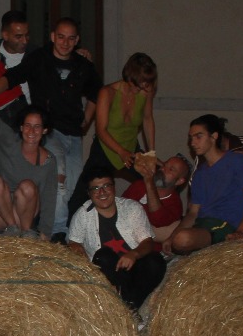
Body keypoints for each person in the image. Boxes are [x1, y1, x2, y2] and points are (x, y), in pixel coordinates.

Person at [0, 18, 100, 239]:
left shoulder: (84, 66)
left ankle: (49, 230)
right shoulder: (39, 59)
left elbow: (97, 93)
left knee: (71, 186)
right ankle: (56, 234)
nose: (65, 43)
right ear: (53, 36)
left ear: (77, 40)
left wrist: (87, 120)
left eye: (71, 38)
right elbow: (11, 78)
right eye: (61, 37)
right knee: (60, 177)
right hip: (49, 131)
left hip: (73, 133)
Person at [64, 168, 166, 307]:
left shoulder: (132, 208)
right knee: (103, 255)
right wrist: (80, 256)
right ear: (89, 194)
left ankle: (129, 304)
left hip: (133, 267)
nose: (102, 192)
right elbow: (73, 242)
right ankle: (128, 303)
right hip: (106, 271)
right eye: (96, 188)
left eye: (106, 186)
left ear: (114, 188)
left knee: (155, 261)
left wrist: (134, 254)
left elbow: (147, 241)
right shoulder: (83, 214)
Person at [71, 52, 157, 213]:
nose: (141, 89)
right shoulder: (107, 92)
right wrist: (121, 152)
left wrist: (151, 153)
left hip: (130, 146)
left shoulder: (145, 92)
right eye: (138, 85)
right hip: (106, 147)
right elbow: (101, 130)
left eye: (145, 85)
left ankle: (155, 224)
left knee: (153, 180)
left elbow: (147, 119)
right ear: (130, 77)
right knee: (83, 191)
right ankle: (66, 231)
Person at [168, 115, 243, 254]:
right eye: (191, 138)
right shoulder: (199, 174)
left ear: (214, 136)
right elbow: (193, 212)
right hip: (205, 226)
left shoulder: (237, 161)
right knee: (178, 239)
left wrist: (240, 231)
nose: (193, 143)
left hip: (228, 226)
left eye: (198, 136)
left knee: (182, 239)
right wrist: (171, 237)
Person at [0, 104, 59, 240]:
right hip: (0, 212)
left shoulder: (49, 160)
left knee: (28, 186)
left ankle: (26, 234)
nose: (31, 131)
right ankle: (12, 229)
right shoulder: (8, 140)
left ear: (45, 130)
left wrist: (45, 233)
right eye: (28, 125)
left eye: (37, 127)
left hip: (25, 215)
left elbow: (49, 197)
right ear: (21, 127)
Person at [123, 153, 190, 243]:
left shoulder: (175, 204)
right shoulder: (138, 186)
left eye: (171, 169)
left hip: (148, 250)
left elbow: (157, 220)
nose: (163, 169)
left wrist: (149, 184)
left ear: (179, 181)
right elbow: (121, 208)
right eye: (164, 165)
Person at [0, 10, 32, 128]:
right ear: (5, 35)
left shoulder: (35, 54)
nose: (25, 41)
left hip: (27, 121)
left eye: (27, 35)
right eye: (18, 36)